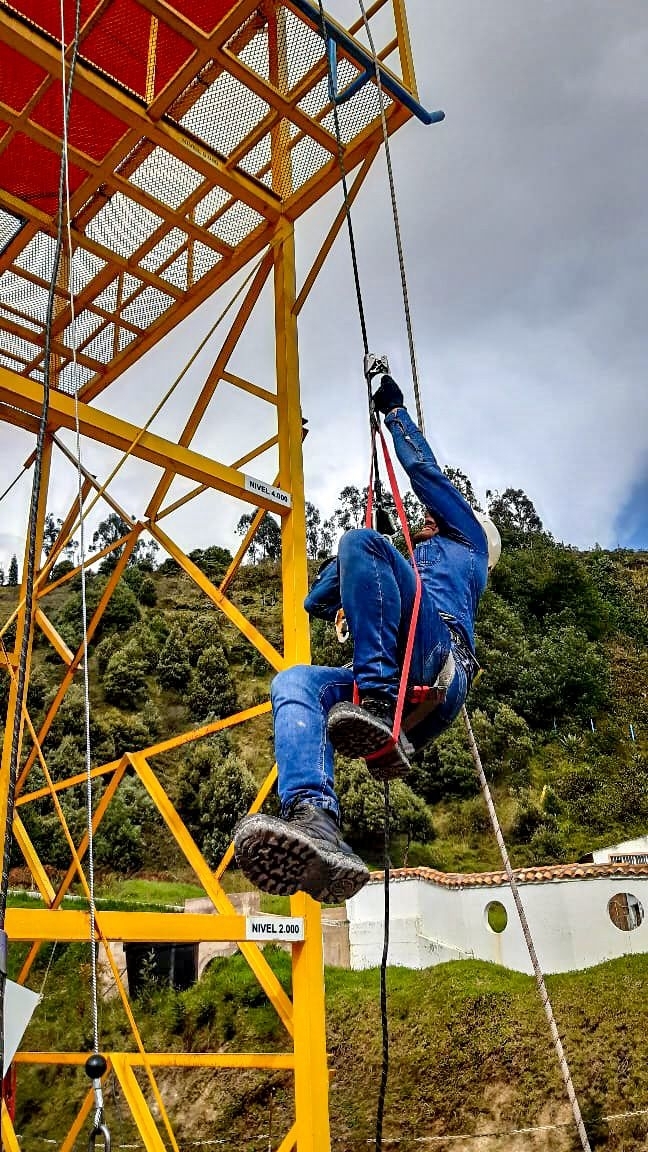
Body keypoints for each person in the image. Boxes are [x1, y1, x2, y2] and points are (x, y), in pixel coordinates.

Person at [234, 375, 500, 904]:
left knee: (362, 543)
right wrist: (354, 560)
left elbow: (425, 474)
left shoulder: (468, 541)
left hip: (436, 661)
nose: (426, 521)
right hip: (404, 676)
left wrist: (394, 414)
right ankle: (315, 818)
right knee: (294, 683)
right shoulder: (410, 561)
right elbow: (316, 603)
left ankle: (376, 705)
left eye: (433, 520)